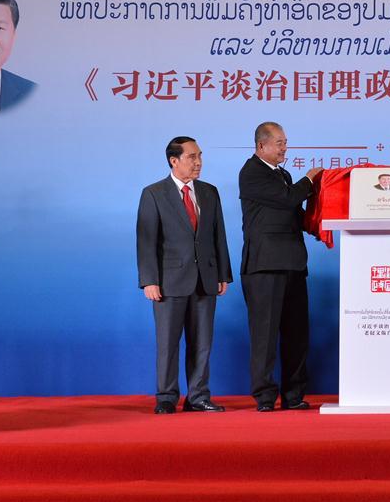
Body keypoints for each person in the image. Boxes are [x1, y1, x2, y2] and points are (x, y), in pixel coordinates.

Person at [137, 137, 233, 414]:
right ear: (174, 160)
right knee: (168, 344)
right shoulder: (154, 193)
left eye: (200, 156)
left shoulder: (209, 192)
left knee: (202, 343)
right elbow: (146, 241)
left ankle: (198, 396)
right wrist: (149, 280)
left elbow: (218, 236)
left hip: (206, 278)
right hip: (168, 282)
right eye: (192, 157)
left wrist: (222, 274)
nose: (199, 162)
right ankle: (166, 397)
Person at [239, 122, 323, 412]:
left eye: (285, 142)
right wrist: (310, 181)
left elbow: (294, 214)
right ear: (262, 146)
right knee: (264, 334)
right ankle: (264, 396)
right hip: (265, 266)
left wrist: (319, 227)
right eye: (279, 143)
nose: (284, 148)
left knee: (297, 332)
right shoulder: (251, 173)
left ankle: (294, 394)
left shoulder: (283, 174)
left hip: (293, 264)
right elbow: (287, 199)